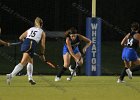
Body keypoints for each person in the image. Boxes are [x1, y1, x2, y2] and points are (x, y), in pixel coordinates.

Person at [6, 17, 46, 85]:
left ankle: (30, 78)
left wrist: (24, 42)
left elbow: (20, 37)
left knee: (30, 61)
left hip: (27, 42)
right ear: (42, 24)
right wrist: (42, 54)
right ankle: (10, 75)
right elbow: (42, 45)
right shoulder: (42, 32)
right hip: (31, 44)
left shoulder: (30, 29)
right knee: (23, 62)